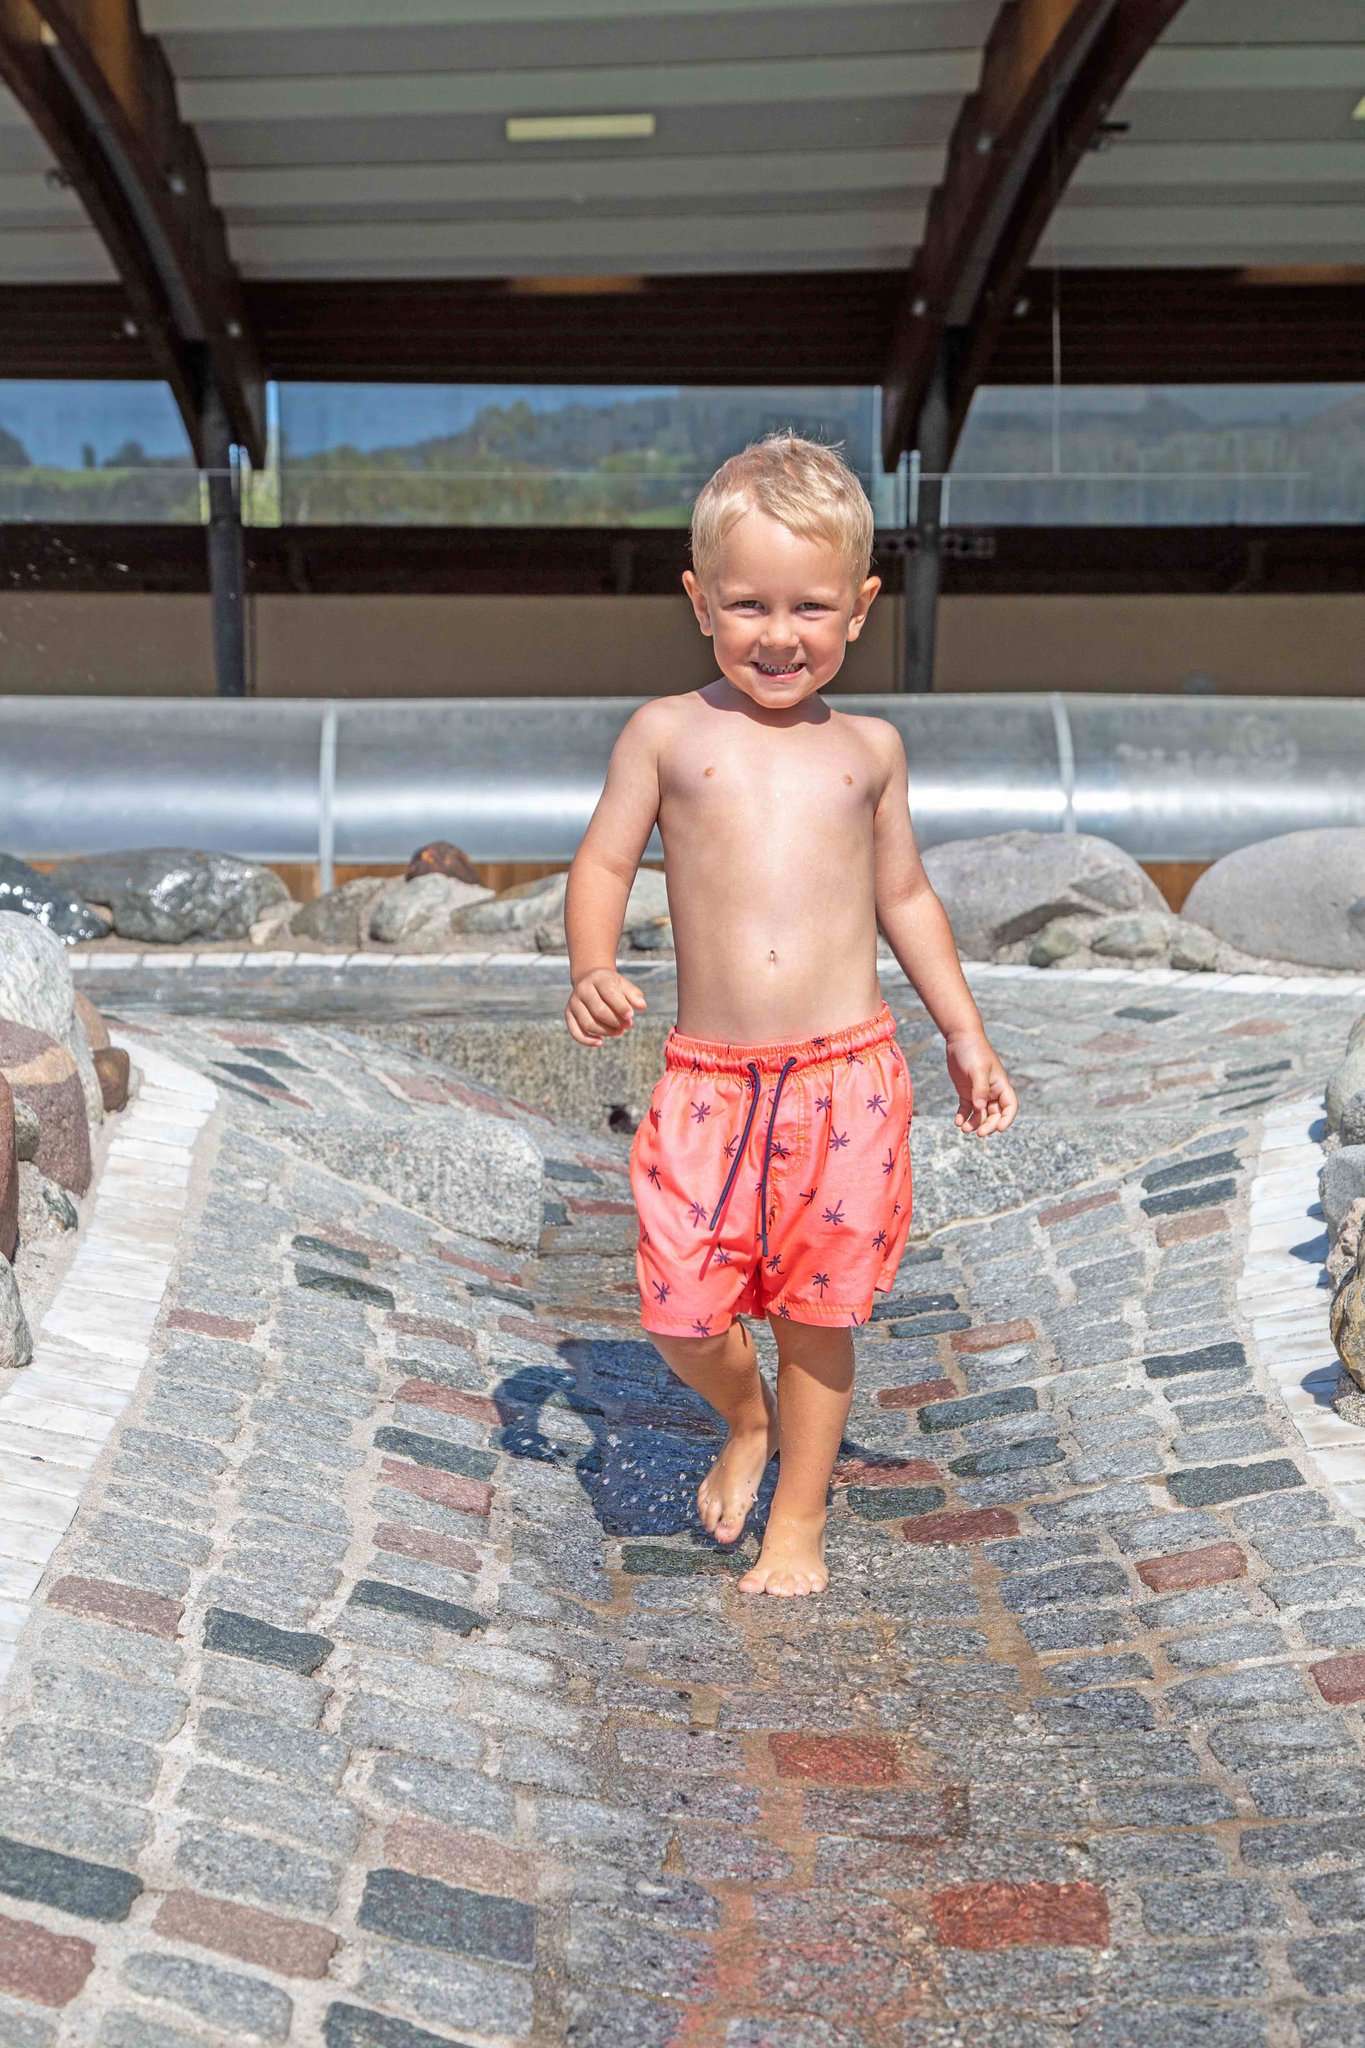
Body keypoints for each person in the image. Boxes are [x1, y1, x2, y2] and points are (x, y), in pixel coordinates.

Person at [563, 433, 1018, 1597]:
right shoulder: (667, 733)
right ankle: (744, 1416)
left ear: (860, 608)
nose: (779, 634)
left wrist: (964, 1031)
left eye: (810, 606)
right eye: (749, 604)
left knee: (820, 1314)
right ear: (699, 600)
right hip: (710, 1079)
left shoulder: (869, 750)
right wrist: (593, 962)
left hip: (847, 1078)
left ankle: (799, 1524)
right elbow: (605, 862)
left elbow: (905, 895)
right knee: (678, 1305)